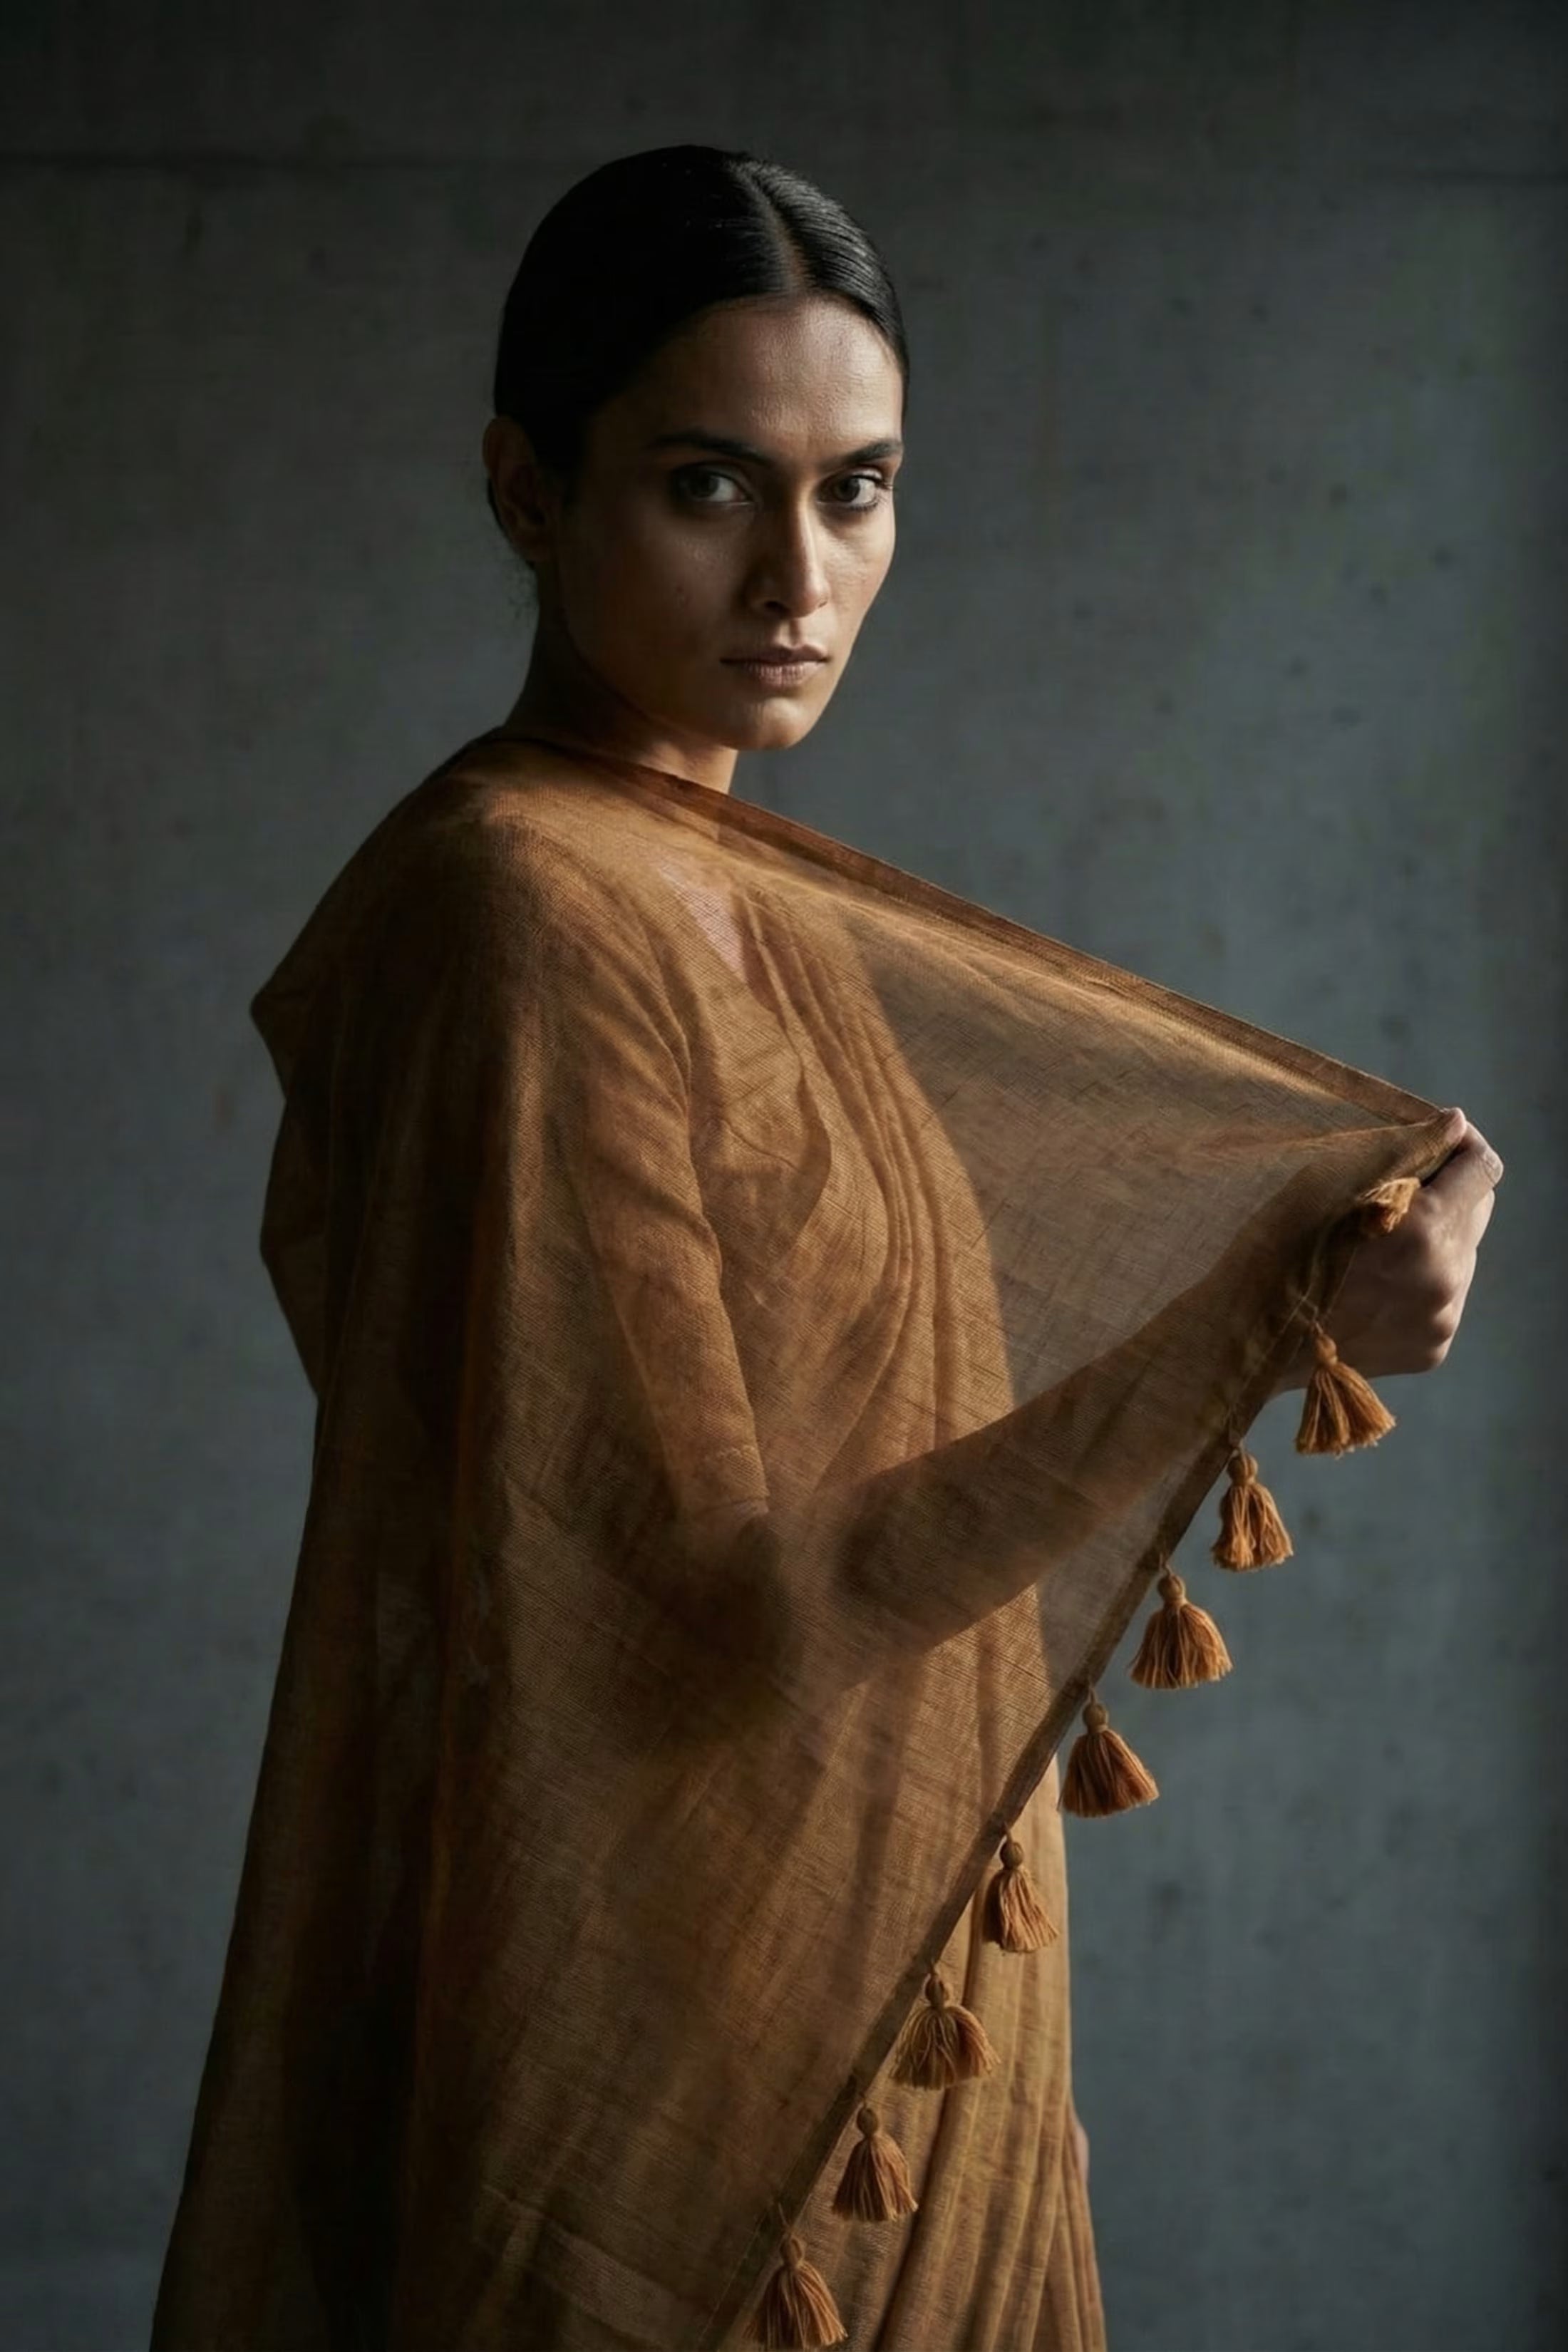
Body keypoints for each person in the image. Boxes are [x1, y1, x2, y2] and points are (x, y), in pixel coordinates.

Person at [150, 145, 1500, 2352]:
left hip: (871, 2029)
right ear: (526, 487)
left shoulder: (740, 904)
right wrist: (1246, 1331)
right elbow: (704, 1613)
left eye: (859, 488)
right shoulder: (531, 912)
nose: (803, 572)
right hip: (682, 2129)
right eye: (709, 484)